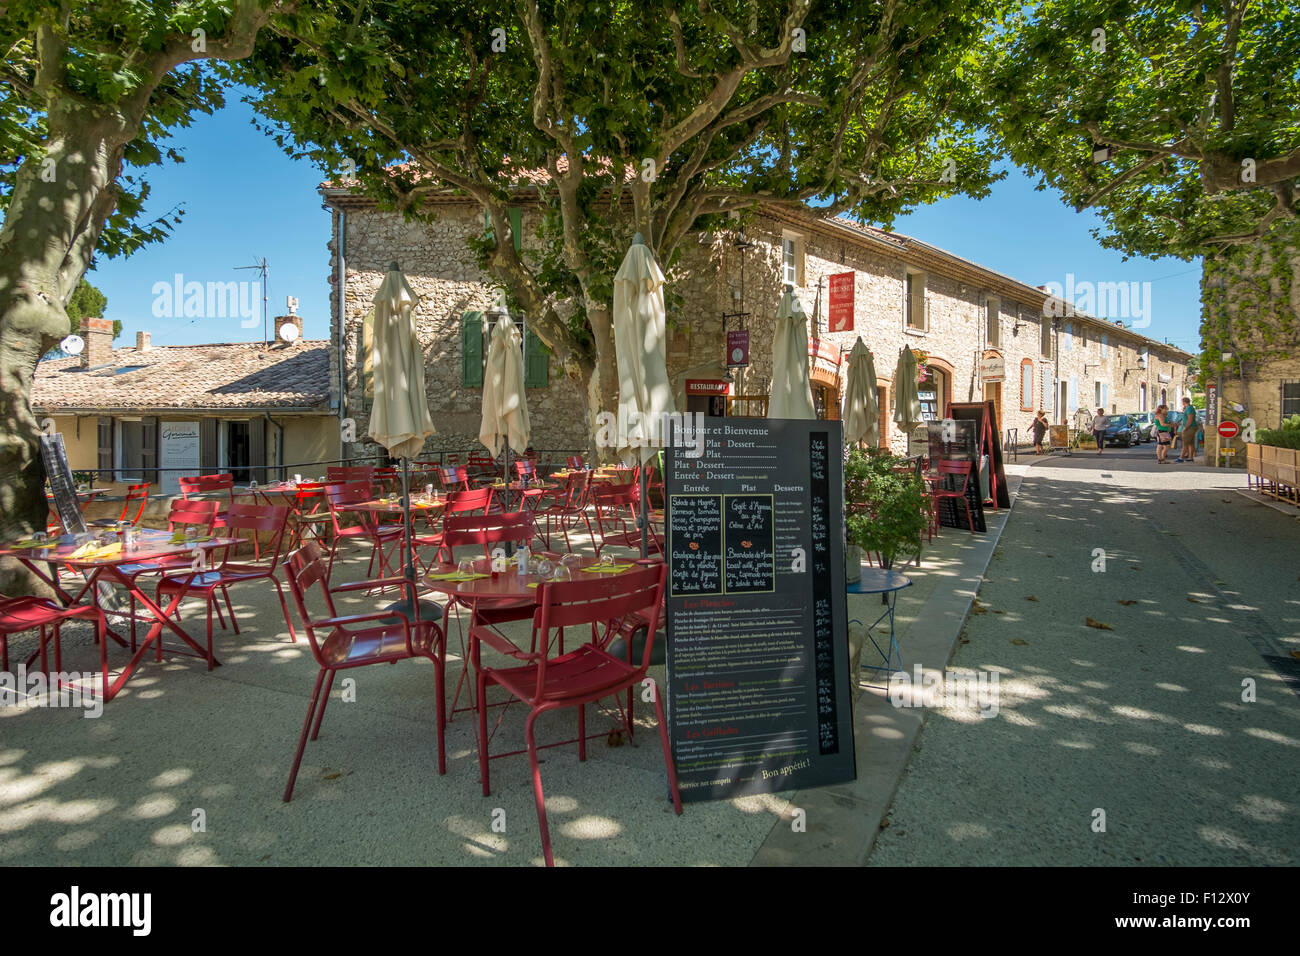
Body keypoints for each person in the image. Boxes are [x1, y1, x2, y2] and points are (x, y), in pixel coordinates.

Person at [1175, 397, 1198, 463]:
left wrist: (1186, 427)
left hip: (1190, 427)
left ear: (1184, 402)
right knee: (1191, 443)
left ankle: (1181, 457)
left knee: (1185, 443)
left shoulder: (1189, 408)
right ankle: (1190, 457)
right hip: (1191, 427)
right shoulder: (1189, 408)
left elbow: (1190, 419)